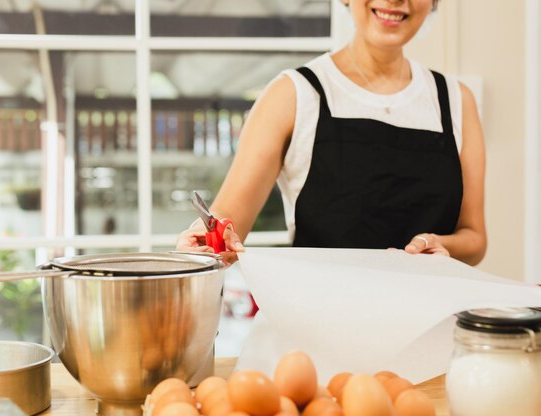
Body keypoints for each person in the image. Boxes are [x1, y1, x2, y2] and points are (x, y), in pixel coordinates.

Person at [177, 0, 487, 266]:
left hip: (431, 323)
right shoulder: (292, 94)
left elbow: (474, 238)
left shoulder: (456, 100)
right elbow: (229, 216)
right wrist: (208, 238)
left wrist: (439, 243)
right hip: (316, 327)